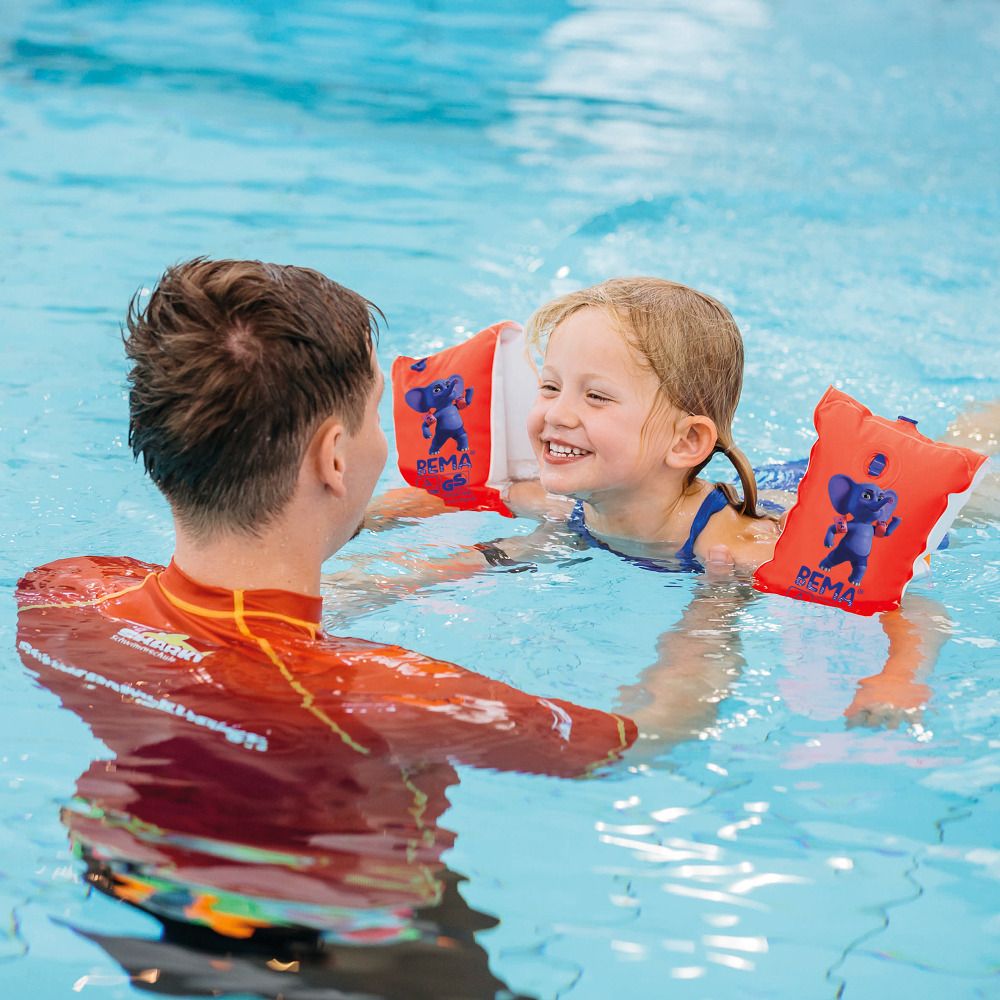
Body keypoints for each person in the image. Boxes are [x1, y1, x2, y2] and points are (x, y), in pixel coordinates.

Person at [15, 258, 636, 997]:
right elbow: (632, 742)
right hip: (343, 948)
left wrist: (484, 551)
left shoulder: (61, 597)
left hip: (130, 898)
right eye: (375, 416)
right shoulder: (400, 697)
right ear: (334, 457)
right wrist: (717, 595)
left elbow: (232, 631)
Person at [353, 277, 966, 737]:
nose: (557, 413)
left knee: (712, 613)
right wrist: (368, 517)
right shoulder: (564, 499)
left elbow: (914, 608)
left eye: (595, 396)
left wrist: (897, 678)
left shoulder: (736, 548)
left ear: (686, 442)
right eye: (550, 386)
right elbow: (456, 496)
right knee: (502, 553)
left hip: (792, 496)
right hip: (656, 511)